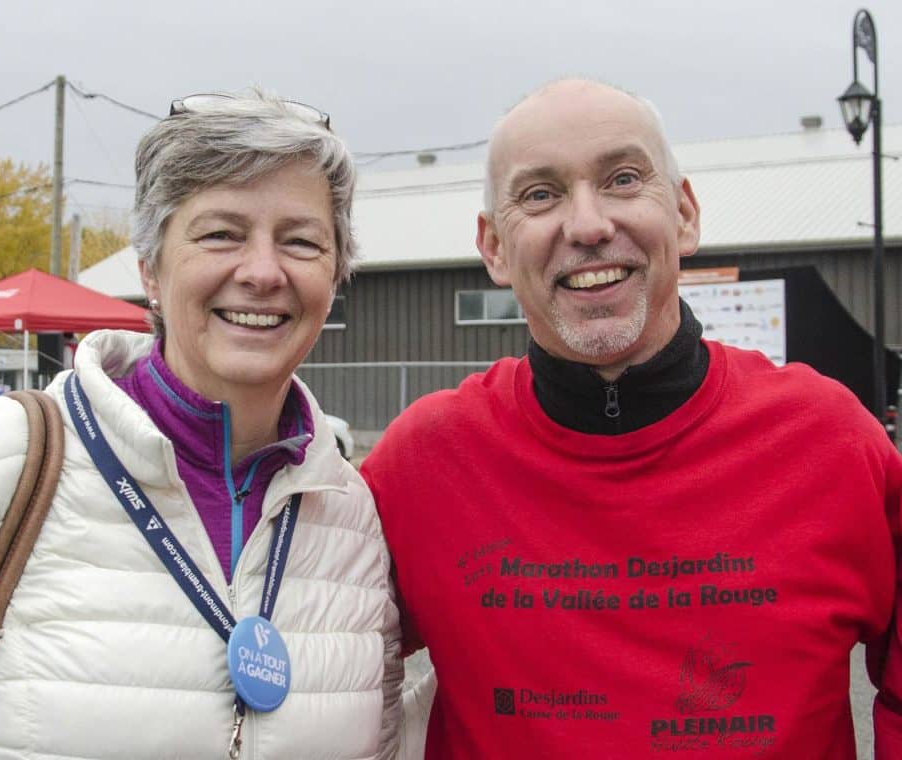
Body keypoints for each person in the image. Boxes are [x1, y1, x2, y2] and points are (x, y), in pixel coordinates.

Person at [361, 78, 902, 758]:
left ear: (683, 214)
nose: (587, 226)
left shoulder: (830, 441)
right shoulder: (424, 462)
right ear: (494, 246)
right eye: (540, 195)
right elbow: (305, 653)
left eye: (622, 179)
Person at [0, 90, 404, 759]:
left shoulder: (349, 515)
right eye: (221, 234)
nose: (264, 272)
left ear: (335, 276)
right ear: (151, 268)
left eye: (301, 242)